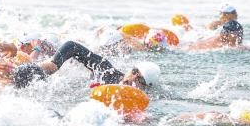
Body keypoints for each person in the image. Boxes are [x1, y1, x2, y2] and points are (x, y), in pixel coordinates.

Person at [12, 41, 161, 90]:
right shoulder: (107, 72)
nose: (132, 78)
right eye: (134, 71)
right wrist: (53, 65)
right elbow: (72, 46)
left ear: (144, 88)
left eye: (139, 79)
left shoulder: (141, 102)